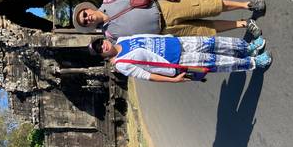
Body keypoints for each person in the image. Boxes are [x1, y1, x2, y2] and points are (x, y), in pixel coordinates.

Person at [72, 0, 265, 40]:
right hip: (167, 33)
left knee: (207, 5)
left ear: (88, 8)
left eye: (85, 14)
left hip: (164, 7)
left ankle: (247, 5)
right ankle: (243, 24)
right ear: (88, 25)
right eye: (85, 21)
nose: (87, 18)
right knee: (205, 30)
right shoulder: (110, 35)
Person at [88, 35, 272, 83]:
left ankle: (248, 48)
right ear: (102, 56)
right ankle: (254, 63)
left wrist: (169, 37)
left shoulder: (122, 39)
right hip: (178, 60)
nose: (102, 46)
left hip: (177, 43)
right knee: (214, 62)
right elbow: (147, 76)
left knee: (213, 43)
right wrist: (173, 79)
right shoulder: (121, 65)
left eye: (100, 43)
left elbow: (147, 37)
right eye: (99, 50)